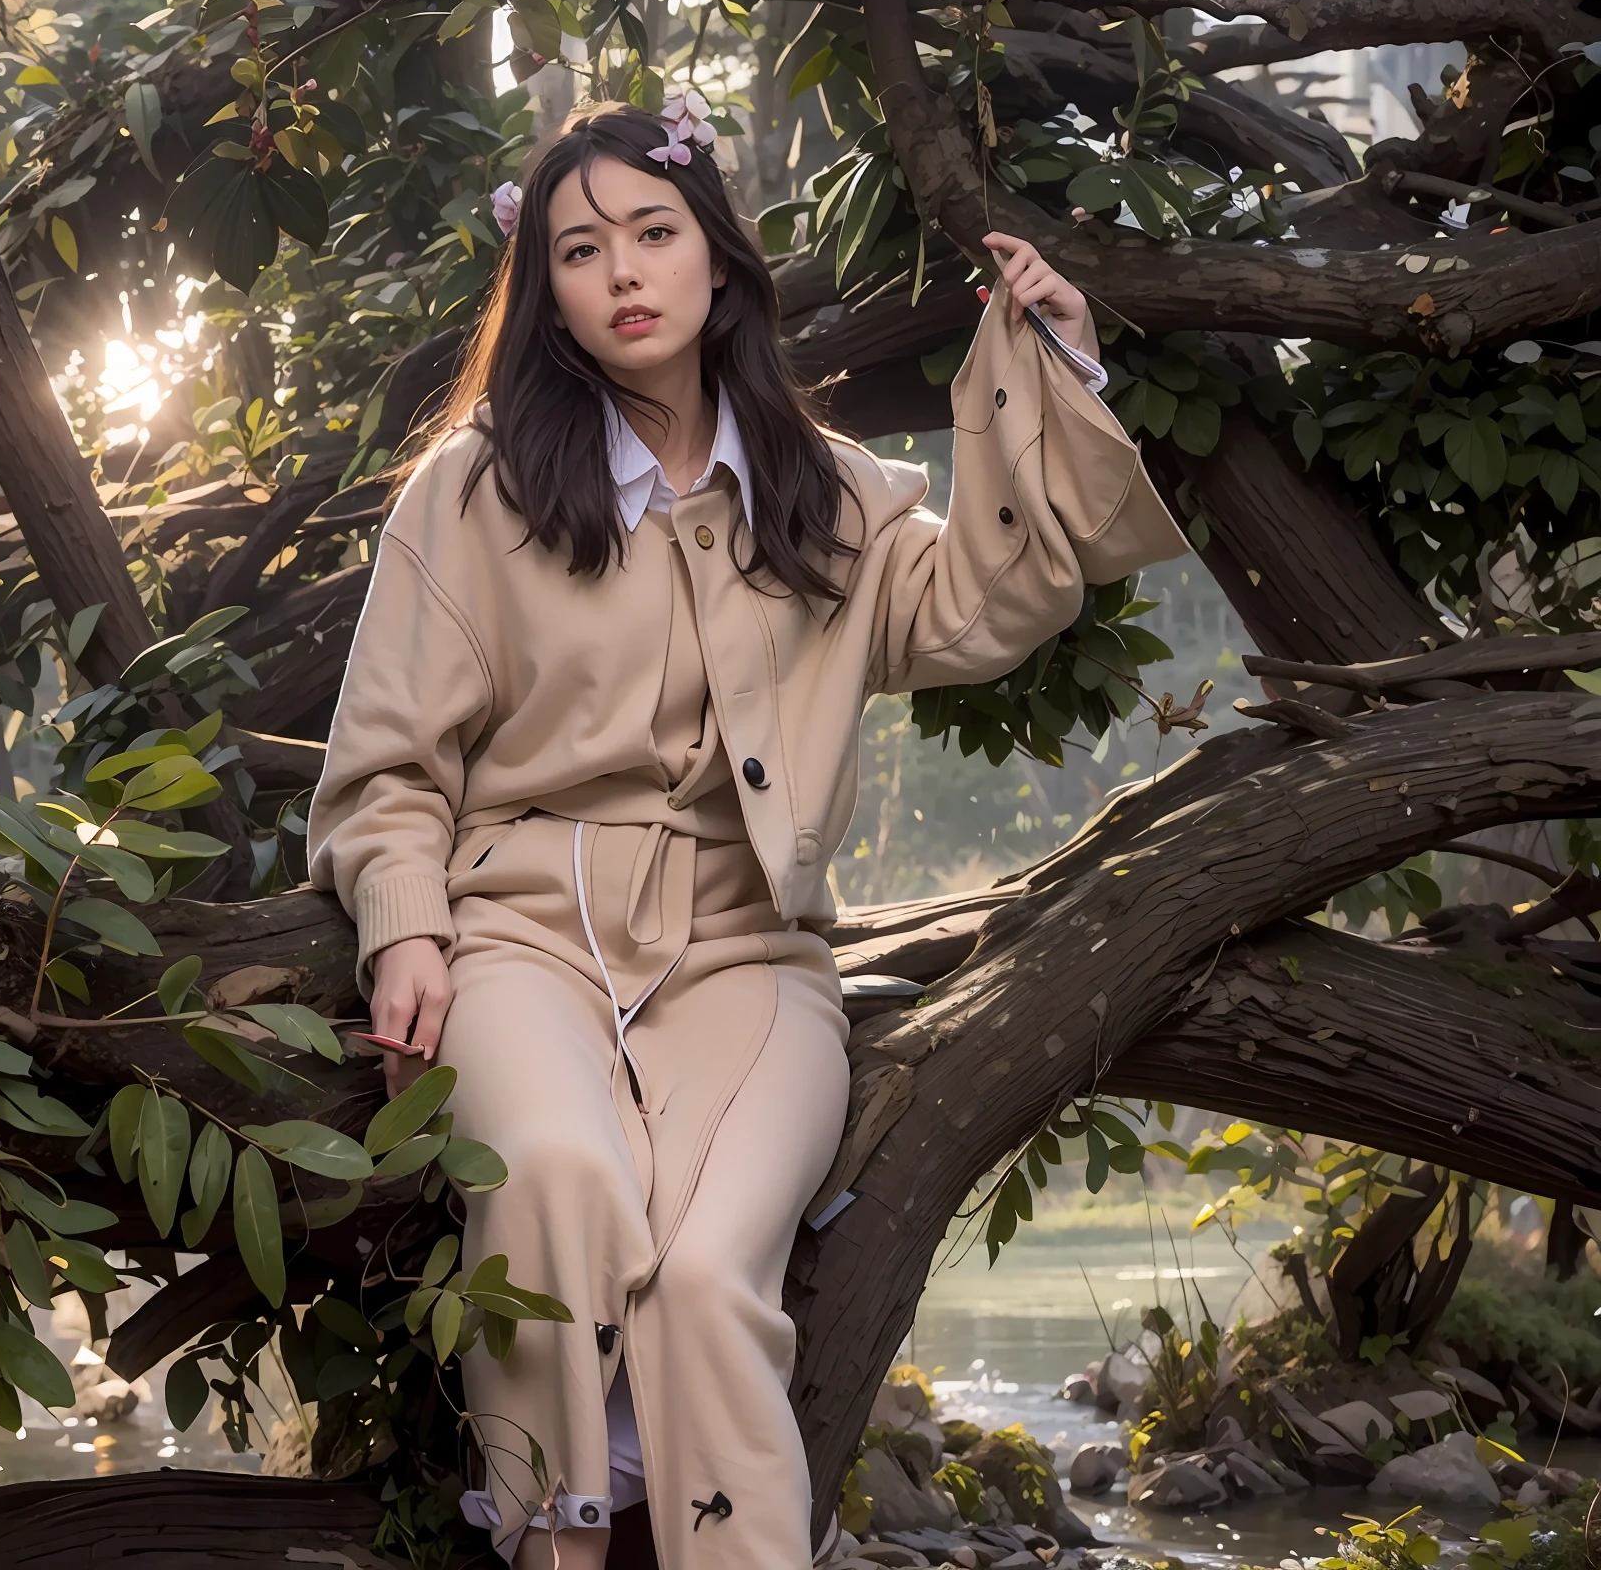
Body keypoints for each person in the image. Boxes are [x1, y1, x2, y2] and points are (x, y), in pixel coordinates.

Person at [308, 96, 1186, 1569]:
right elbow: (386, 757)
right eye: (582, 251)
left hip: (750, 955)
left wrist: (1058, 366)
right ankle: (559, 1551)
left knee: (713, 1276)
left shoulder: (823, 492)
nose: (625, 273)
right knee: (558, 1176)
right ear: (550, 292)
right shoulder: (475, 488)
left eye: (655, 233)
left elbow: (985, 604)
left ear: (717, 256)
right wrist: (405, 921)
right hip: (522, 930)